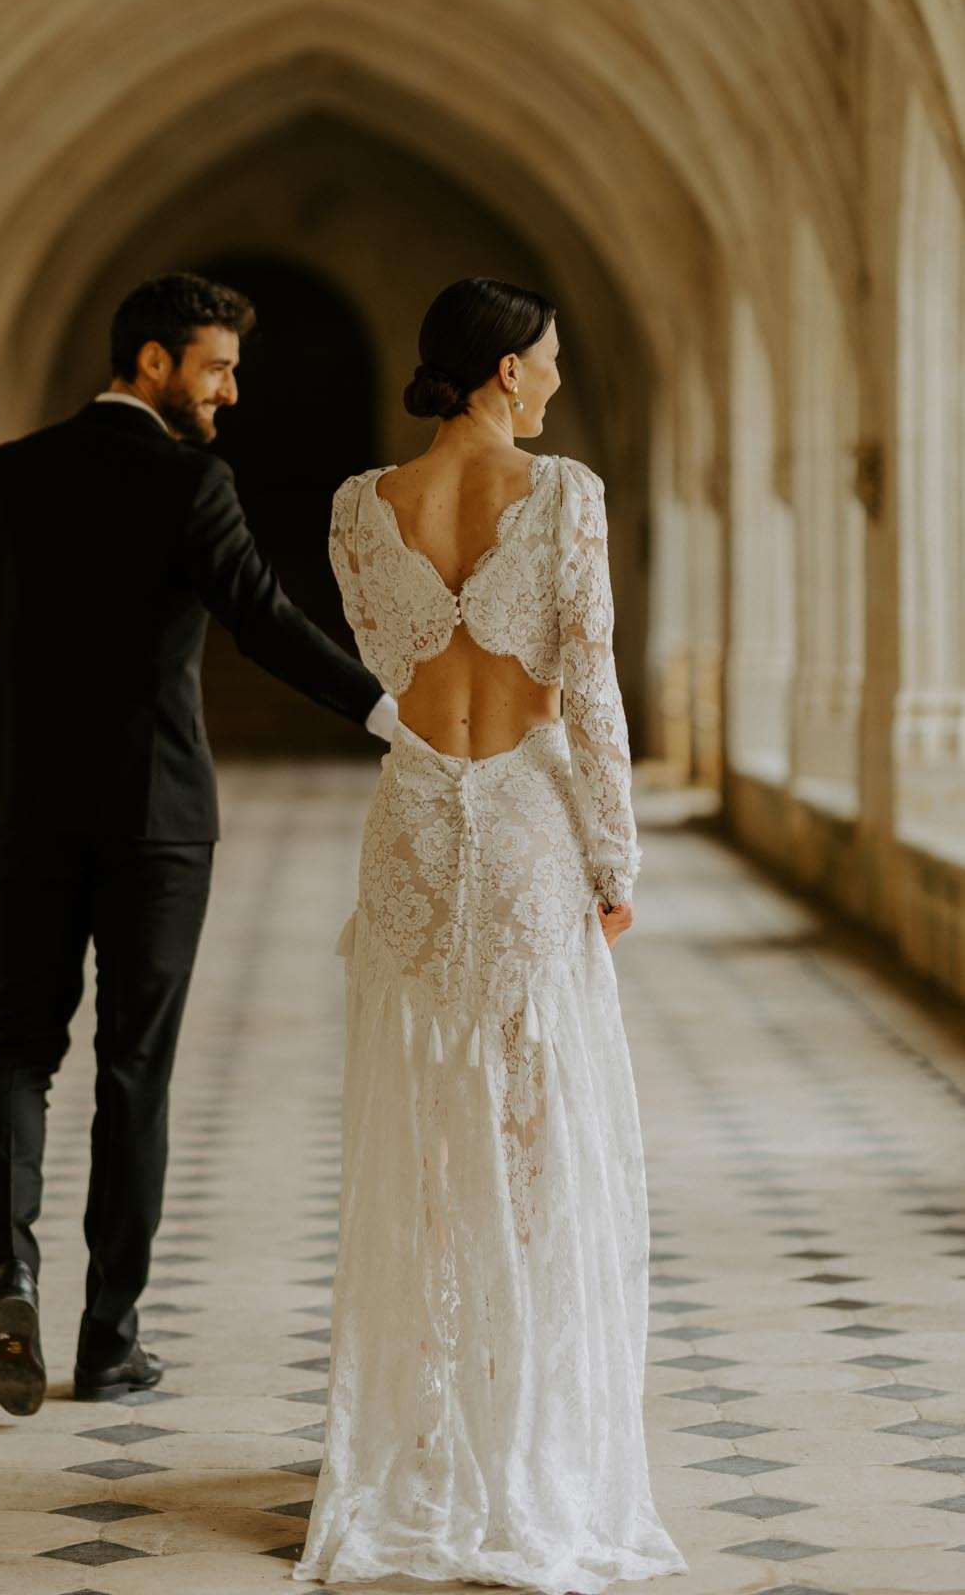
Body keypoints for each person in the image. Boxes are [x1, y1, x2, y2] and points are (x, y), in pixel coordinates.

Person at [0, 272, 396, 1416]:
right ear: (153, 362)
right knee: (134, 1067)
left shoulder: (15, 471)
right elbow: (263, 617)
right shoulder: (191, 481)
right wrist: (387, 712)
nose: (231, 392)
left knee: (18, 1046)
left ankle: (9, 1270)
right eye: (216, 368)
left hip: (26, 802)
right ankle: (109, 1339)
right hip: (159, 817)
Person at [294, 278, 688, 1593]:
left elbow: (376, 663)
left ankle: (427, 1449)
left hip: (412, 819)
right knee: (533, 1136)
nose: (560, 379)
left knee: (417, 1118)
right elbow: (590, 688)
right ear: (508, 369)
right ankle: (526, 1450)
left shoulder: (359, 507)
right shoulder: (564, 495)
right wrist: (614, 855)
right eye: (553, 359)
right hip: (522, 822)